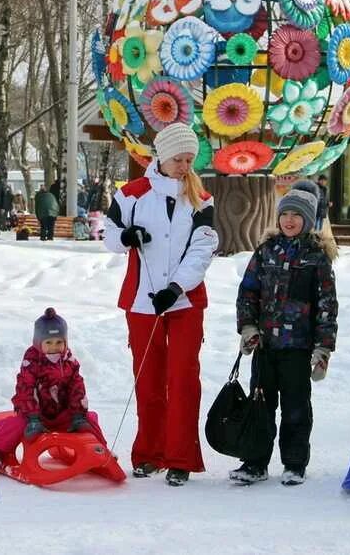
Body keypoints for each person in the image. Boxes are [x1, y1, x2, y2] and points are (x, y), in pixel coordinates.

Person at [104, 122, 218, 487]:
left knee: (183, 378)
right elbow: (108, 234)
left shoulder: (201, 197)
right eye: (180, 159)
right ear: (162, 157)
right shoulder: (131, 194)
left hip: (184, 301)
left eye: (190, 160)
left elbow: (203, 247)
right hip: (140, 301)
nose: (186, 167)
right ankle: (149, 453)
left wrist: (176, 287)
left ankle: (180, 456)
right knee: (148, 377)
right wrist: (126, 236)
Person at [231, 180, 338, 486]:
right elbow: (248, 291)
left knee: (295, 407)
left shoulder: (317, 257)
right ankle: (255, 462)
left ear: (308, 219)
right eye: (285, 214)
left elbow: (327, 305)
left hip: (298, 348)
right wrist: (248, 326)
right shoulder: (266, 251)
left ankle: (294, 462)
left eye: (297, 215)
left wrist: (323, 348)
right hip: (265, 345)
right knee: (259, 405)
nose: (289, 220)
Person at [0, 308, 106, 471]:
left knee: (90, 418)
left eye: (59, 342)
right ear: (39, 343)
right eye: (49, 343)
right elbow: (25, 390)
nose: (54, 347)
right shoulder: (32, 363)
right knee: (16, 423)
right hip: (36, 418)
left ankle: (101, 452)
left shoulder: (70, 363)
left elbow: (77, 388)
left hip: (63, 416)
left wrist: (78, 414)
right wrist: (32, 417)